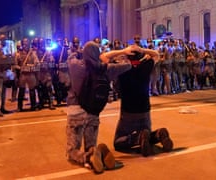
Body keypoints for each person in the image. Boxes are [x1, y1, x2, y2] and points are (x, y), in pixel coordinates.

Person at [66, 40, 142, 174]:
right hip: (94, 112)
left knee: (72, 151)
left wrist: (78, 51)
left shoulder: (75, 65)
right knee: (91, 146)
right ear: (99, 54)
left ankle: (87, 157)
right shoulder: (107, 69)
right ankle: (94, 154)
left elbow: (70, 56)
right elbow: (128, 65)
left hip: (76, 112)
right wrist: (123, 52)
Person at [113, 43, 174, 157]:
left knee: (118, 142)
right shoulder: (145, 65)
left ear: (128, 56)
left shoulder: (121, 68)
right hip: (144, 110)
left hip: (128, 112)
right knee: (147, 133)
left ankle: (138, 137)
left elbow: (104, 57)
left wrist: (123, 51)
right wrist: (142, 50)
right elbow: (156, 55)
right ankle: (158, 134)